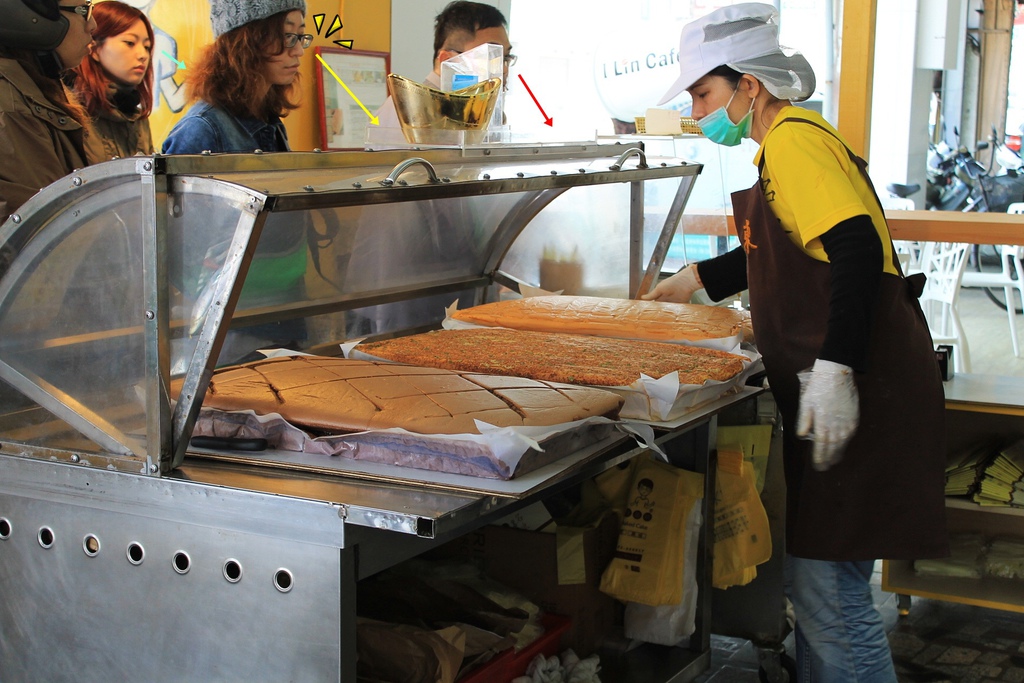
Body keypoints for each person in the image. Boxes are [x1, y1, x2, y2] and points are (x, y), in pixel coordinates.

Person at [644, 4, 948, 681]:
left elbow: (855, 249)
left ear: (749, 86)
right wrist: (694, 278)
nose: (697, 111)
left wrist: (836, 367)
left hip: (862, 387)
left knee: (829, 592)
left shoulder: (793, 143)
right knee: (825, 585)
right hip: (854, 390)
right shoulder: (785, 147)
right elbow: (778, 243)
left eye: (704, 93)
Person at [161, 0, 309, 154]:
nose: (299, 51)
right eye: (286, 36)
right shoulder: (203, 129)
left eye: (300, 36)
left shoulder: (267, 119)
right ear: (245, 43)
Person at [0, 0, 96, 223]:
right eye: (83, 11)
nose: (92, 24)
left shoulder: (32, 90)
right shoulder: (11, 108)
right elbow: (45, 231)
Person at [375, 0, 514, 130]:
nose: (504, 69)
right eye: (490, 56)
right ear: (447, 60)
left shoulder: (473, 111)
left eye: (506, 57)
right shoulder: (409, 110)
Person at [70, 0, 155, 164]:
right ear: (93, 48)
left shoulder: (136, 114)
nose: (143, 55)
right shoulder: (72, 113)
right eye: (130, 43)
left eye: (147, 46)